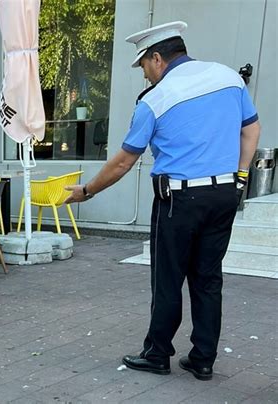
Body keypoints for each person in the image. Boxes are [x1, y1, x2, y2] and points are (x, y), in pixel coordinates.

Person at [65, 21, 260, 381]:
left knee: (168, 279)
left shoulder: (156, 100)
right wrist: (241, 176)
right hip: (223, 195)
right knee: (207, 278)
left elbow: (124, 161)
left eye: (143, 67)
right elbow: (251, 130)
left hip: (179, 200)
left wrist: (86, 191)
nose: (144, 76)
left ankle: (157, 354)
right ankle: (203, 358)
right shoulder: (229, 78)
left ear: (157, 58)